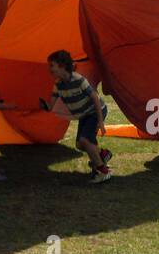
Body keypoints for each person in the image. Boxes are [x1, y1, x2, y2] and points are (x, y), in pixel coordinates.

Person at [44, 50, 112, 184]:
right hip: (84, 115)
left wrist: (100, 121)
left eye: (52, 65)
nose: (49, 69)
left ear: (62, 66)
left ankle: (102, 171)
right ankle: (103, 154)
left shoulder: (79, 80)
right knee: (80, 144)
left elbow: (95, 99)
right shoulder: (58, 85)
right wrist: (44, 106)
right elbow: (51, 106)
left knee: (85, 140)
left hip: (95, 111)